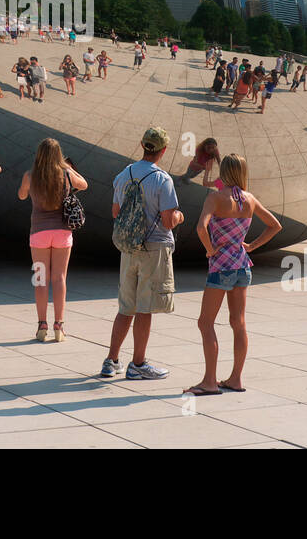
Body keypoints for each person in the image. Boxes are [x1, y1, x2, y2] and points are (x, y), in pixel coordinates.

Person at [186, 154, 282, 395]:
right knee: (238, 323)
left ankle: (209, 381)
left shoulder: (215, 197)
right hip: (242, 266)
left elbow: (201, 227)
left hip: (221, 267)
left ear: (224, 172)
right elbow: (275, 226)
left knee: (205, 322)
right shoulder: (249, 199)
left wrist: (210, 250)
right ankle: (236, 379)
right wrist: (251, 246)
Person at [102, 127, 182, 380]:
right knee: (145, 308)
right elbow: (169, 221)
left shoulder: (123, 175)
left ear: (142, 145)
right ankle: (138, 364)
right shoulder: (163, 179)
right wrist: (180, 216)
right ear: (163, 150)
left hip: (129, 248)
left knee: (126, 307)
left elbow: (116, 212)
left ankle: (111, 360)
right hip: (154, 248)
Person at [17, 138, 86, 342]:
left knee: (40, 279)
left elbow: (21, 196)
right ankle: (59, 325)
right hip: (62, 233)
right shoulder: (65, 174)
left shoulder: (30, 175)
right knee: (59, 278)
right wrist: (67, 167)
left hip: (38, 233)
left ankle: (41, 325)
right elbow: (84, 184)